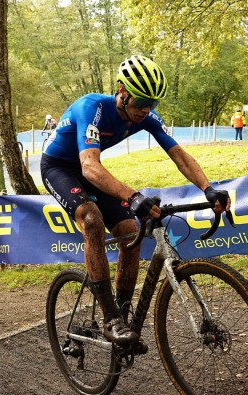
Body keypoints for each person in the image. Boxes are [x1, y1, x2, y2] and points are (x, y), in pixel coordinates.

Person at [41, 55, 230, 345]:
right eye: (142, 101)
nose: (146, 109)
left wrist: (208, 188)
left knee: (131, 231)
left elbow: (179, 155)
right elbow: (89, 167)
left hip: (90, 169)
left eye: (153, 104)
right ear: (122, 91)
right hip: (60, 168)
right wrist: (133, 196)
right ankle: (110, 319)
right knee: (91, 219)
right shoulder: (93, 107)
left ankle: (124, 314)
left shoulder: (146, 117)